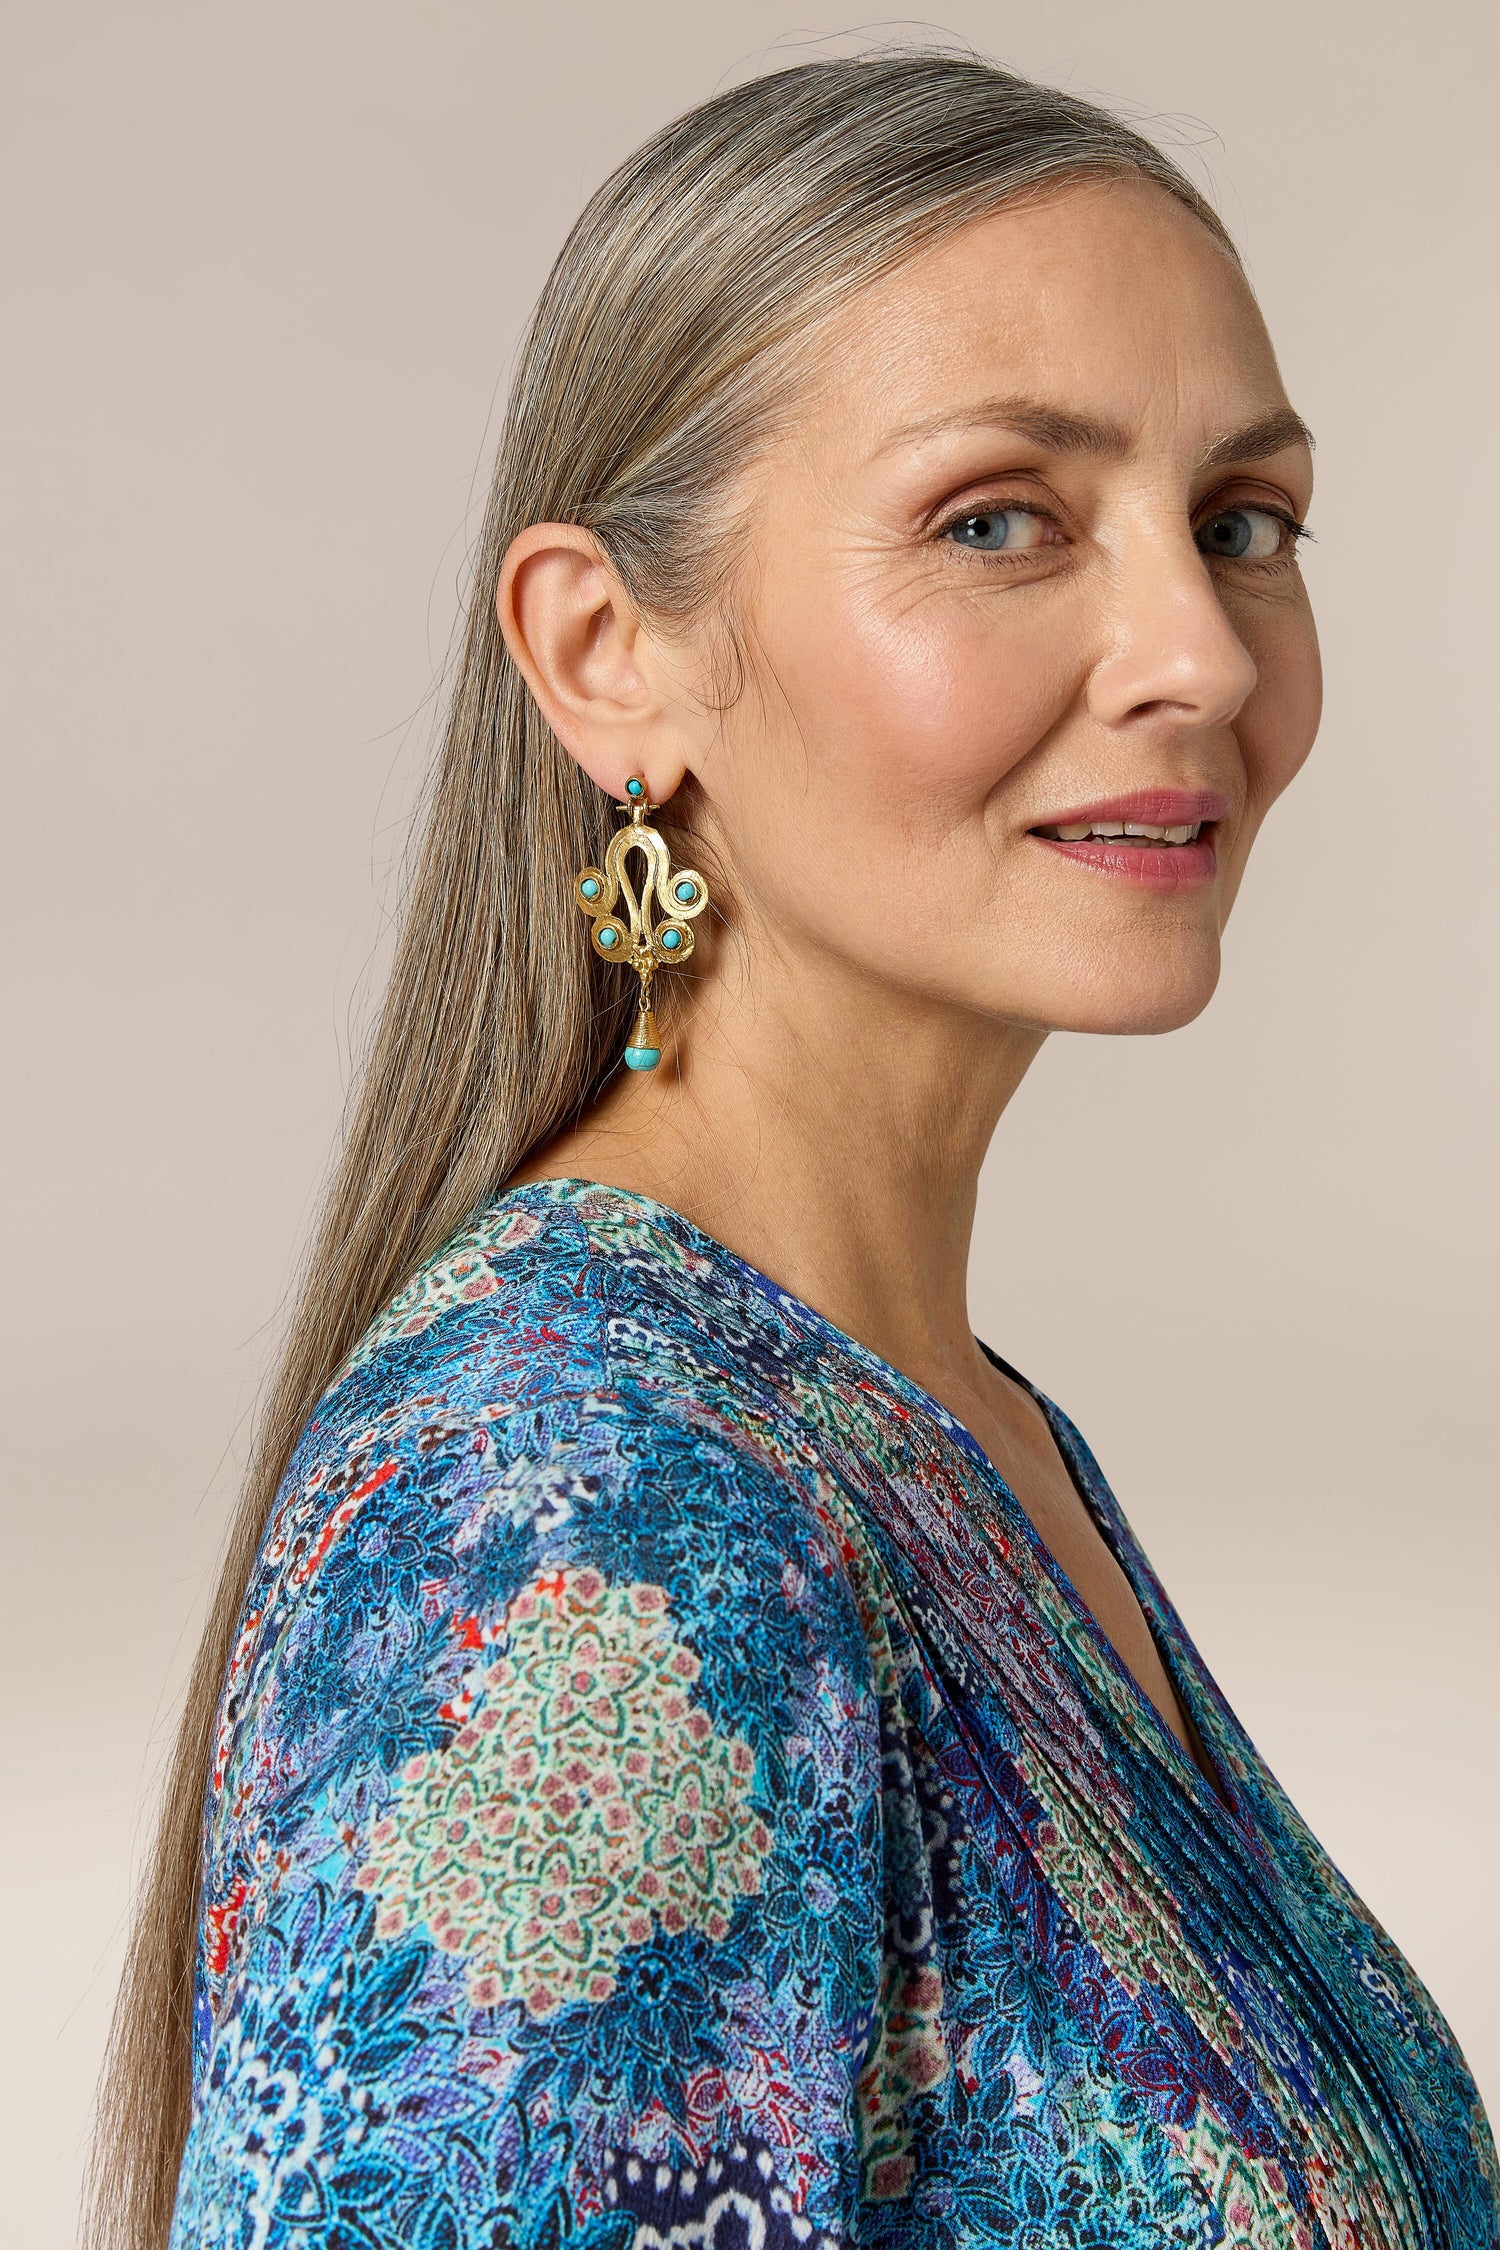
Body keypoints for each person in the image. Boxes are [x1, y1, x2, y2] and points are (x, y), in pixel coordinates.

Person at [90, 50, 1499, 2250]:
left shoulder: (936, 1425)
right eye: (998, 518)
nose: (1202, 652)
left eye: (1244, 522)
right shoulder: (581, 1518)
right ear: (608, 651)